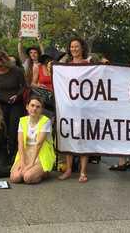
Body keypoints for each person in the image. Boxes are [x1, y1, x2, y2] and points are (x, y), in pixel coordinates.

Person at [58, 37, 90, 182]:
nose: (74, 49)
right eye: (71, 47)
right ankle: (69, 169)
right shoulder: (66, 66)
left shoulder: (89, 65)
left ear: (82, 48)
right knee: (68, 138)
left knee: (83, 139)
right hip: (68, 108)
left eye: (76, 46)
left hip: (83, 109)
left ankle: (83, 172)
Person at [0, 50, 26, 163]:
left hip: (16, 104)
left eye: (0, 65)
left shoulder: (16, 71)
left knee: (14, 130)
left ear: (5, 63)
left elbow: (24, 86)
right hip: (1, 104)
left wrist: (17, 95)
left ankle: (14, 156)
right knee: (2, 129)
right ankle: (3, 154)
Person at [10, 96, 56, 184]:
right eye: (32, 105)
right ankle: (34, 170)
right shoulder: (22, 121)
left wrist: (31, 164)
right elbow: (20, 143)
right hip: (26, 152)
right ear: (27, 107)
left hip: (41, 153)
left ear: (42, 109)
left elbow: (39, 144)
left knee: (28, 177)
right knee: (15, 178)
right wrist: (23, 163)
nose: (34, 108)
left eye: (38, 107)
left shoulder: (46, 121)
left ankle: (45, 172)